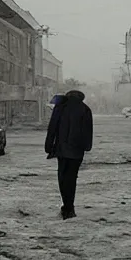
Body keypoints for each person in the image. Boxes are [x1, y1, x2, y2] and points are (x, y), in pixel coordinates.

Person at [44, 90, 93, 219]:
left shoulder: (60, 107)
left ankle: (66, 205)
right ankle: (69, 206)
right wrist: (87, 146)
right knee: (72, 178)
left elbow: (52, 127)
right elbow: (88, 130)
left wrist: (48, 145)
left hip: (61, 149)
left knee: (62, 177)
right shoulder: (85, 109)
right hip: (77, 151)